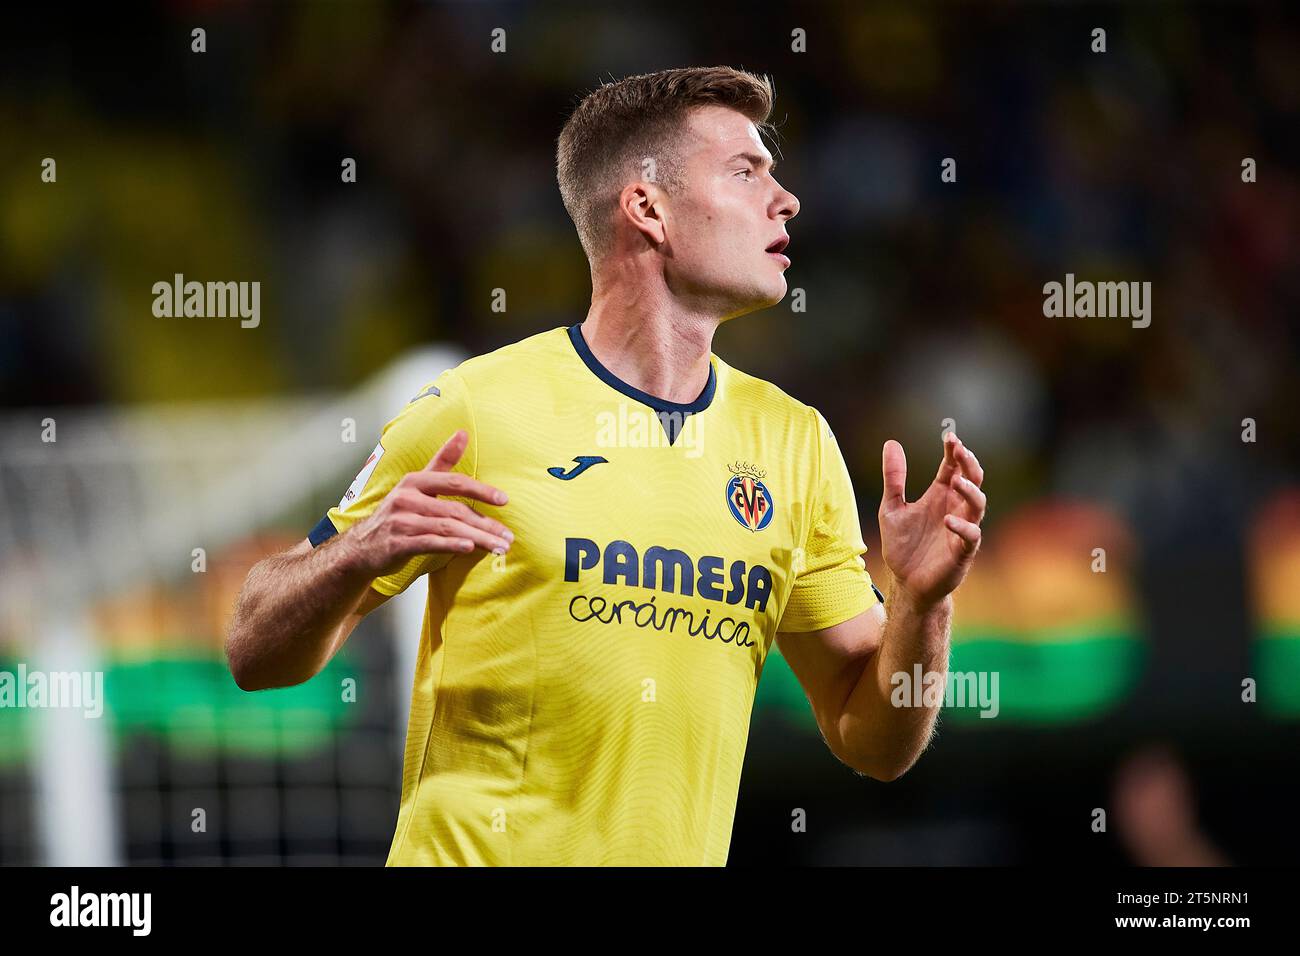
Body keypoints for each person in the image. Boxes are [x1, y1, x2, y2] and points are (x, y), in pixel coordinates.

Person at [225, 66, 988, 866]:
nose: (786, 198)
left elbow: (871, 737)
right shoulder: (478, 408)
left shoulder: (794, 442)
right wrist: (355, 554)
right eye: (745, 171)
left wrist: (923, 604)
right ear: (647, 208)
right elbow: (253, 648)